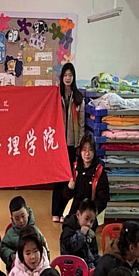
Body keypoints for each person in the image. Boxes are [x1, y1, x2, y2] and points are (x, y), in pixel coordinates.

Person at [51, 62, 86, 222]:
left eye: (70, 75)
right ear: (62, 77)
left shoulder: (78, 98)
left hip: (72, 144)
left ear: (74, 77)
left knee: (69, 179)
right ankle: (55, 211)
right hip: (58, 145)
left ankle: (65, 212)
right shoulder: (55, 96)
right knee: (57, 178)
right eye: (65, 75)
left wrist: (80, 144)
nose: (68, 78)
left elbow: (81, 123)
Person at [63, 135, 110, 222]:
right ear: (80, 151)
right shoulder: (74, 169)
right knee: (67, 226)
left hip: (91, 213)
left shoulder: (100, 172)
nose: (87, 154)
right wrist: (69, 188)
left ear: (94, 152)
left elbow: (103, 199)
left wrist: (90, 213)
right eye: (84, 150)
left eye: (90, 150)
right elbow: (65, 195)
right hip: (75, 211)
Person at [1, 196, 49, 272]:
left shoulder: (36, 232)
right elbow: (3, 248)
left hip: (37, 268)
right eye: (17, 218)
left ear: (27, 213)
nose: (21, 221)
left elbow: (45, 250)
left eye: (23, 216)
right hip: (17, 270)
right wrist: (11, 255)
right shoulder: (10, 234)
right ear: (12, 219)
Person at [60, 198, 100, 268]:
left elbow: (94, 253)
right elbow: (71, 250)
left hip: (88, 265)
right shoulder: (68, 229)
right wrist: (81, 234)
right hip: (73, 267)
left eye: (92, 221)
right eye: (86, 219)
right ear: (78, 214)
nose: (89, 224)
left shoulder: (90, 232)